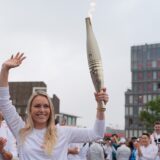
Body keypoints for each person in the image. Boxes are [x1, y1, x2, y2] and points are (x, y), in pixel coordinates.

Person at [0, 53, 109, 160]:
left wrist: (100, 106)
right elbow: (4, 103)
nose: (42, 110)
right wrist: (5, 69)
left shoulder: (63, 133)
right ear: (30, 110)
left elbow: (97, 133)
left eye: (46, 106)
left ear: (51, 110)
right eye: (37, 106)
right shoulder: (20, 131)